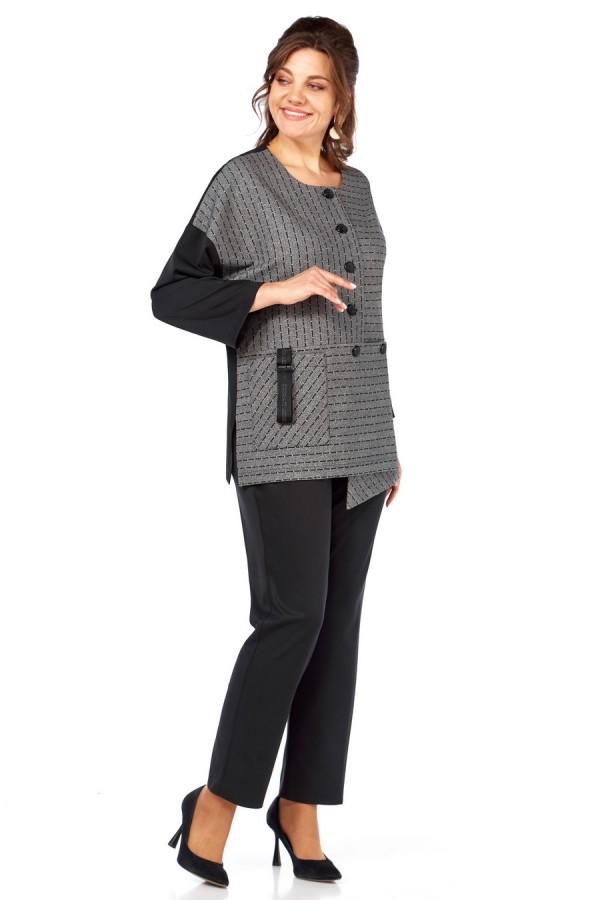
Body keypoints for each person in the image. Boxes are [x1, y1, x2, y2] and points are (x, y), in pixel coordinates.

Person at [151, 15, 402, 887]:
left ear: (341, 100)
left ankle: (301, 810)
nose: (295, 95)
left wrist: (388, 438)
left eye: (316, 83)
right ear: (268, 86)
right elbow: (172, 293)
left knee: (336, 628)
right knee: (290, 618)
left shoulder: (357, 188)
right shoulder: (241, 182)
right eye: (284, 78)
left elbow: (370, 317)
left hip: (362, 436)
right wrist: (270, 289)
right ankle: (215, 806)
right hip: (282, 429)